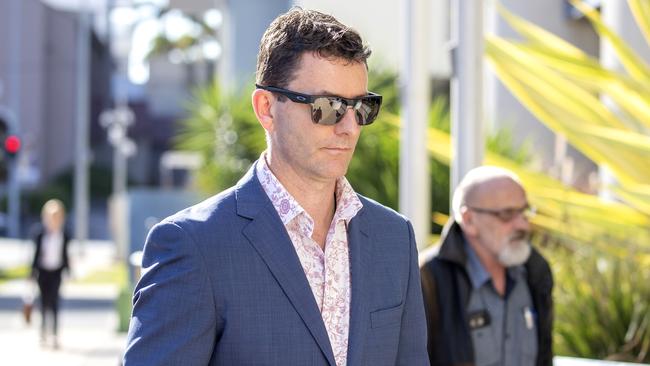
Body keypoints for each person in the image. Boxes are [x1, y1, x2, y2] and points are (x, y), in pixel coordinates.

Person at [123, 8, 429, 366]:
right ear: (267, 108)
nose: (349, 127)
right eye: (328, 107)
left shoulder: (394, 238)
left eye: (361, 107)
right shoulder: (193, 245)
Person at [420, 166, 553, 366]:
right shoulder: (427, 278)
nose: (523, 225)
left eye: (524, 212)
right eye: (507, 214)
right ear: (469, 220)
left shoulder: (536, 271)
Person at [31, 199, 71, 349]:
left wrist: (69, 270)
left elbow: (65, 254)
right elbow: (35, 254)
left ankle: (54, 334)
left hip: (56, 271)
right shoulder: (40, 233)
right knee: (43, 302)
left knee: (54, 302)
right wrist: (31, 273)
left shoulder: (64, 233)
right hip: (42, 271)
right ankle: (43, 333)